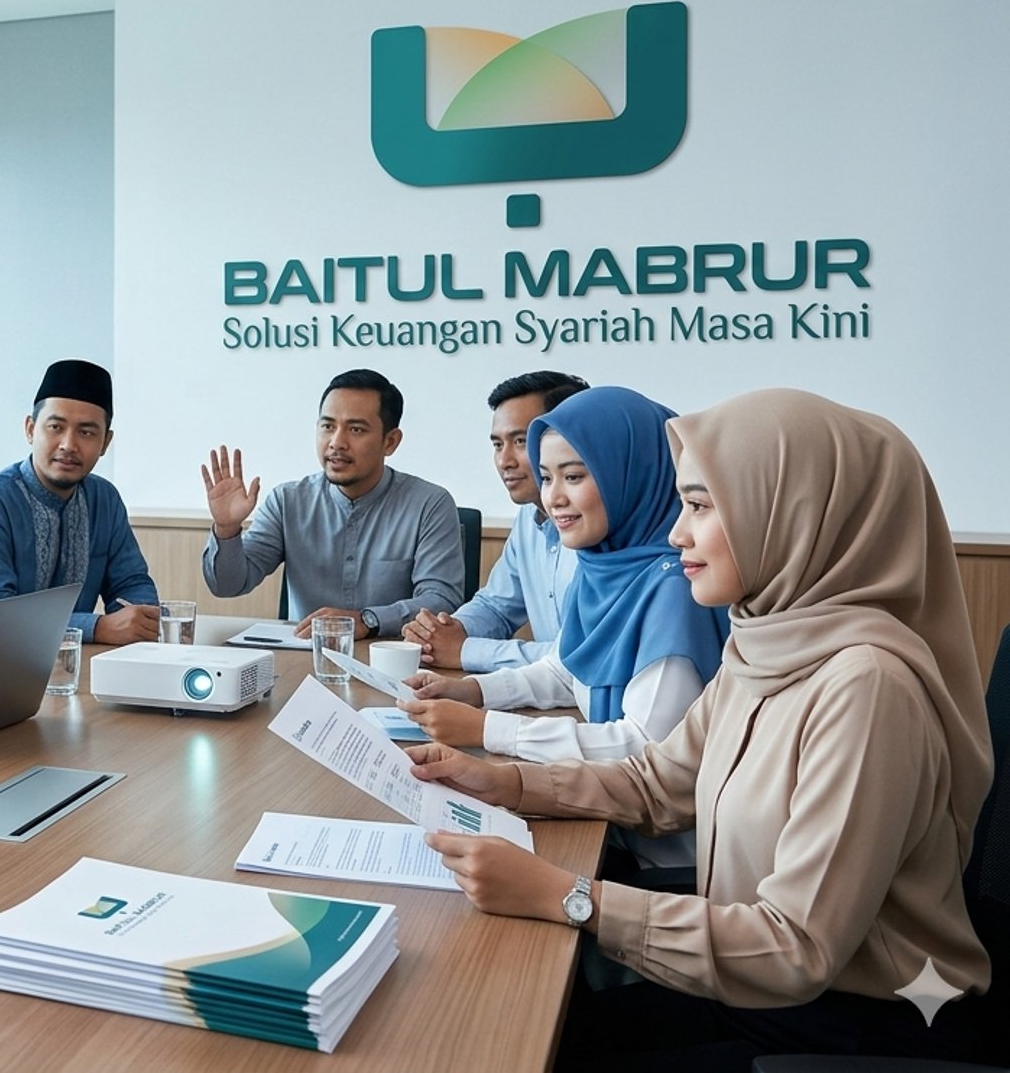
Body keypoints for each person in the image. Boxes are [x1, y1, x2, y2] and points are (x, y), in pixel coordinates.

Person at [407, 389, 992, 1069]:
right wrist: (502, 782)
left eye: (702, 507)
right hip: (753, 988)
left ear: (793, 514)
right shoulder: (765, 641)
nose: (677, 533)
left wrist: (567, 896)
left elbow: (796, 949)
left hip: (854, 1023)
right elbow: (660, 783)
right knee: (519, 1023)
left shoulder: (867, 688)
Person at [399, 388, 728, 858]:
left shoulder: (675, 587)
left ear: (630, 473)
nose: (552, 498)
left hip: (654, 856)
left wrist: (487, 728)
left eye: (573, 476)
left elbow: (644, 748)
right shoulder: (606, 567)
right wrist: (472, 691)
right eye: (547, 476)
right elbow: (566, 667)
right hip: (601, 818)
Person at [200, 368, 461, 639]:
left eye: (356, 429)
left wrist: (368, 620)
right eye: (328, 426)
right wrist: (226, 529)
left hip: (393, 656)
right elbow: (227, 586)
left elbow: (442, 600)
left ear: (390, 442)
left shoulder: (430, 504)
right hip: (304, 655)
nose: (337, 443)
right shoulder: (287, 501)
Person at [0, 359, 161, 645]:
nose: (68, 445)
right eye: (55, 427)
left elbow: (131, 583)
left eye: (86, 432)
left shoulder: (104, 499)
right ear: (30, 429)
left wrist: (139, 620)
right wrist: (96, 627)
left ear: (105, 443)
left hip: (77, 662)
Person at [403, 371, 589, 671]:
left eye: (520, 441)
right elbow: (496, 606)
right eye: (498, 445)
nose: (505, 461)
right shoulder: (529, 517)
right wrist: (445, 632)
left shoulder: (604, 526)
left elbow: (581, 656)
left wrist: (465, 650)